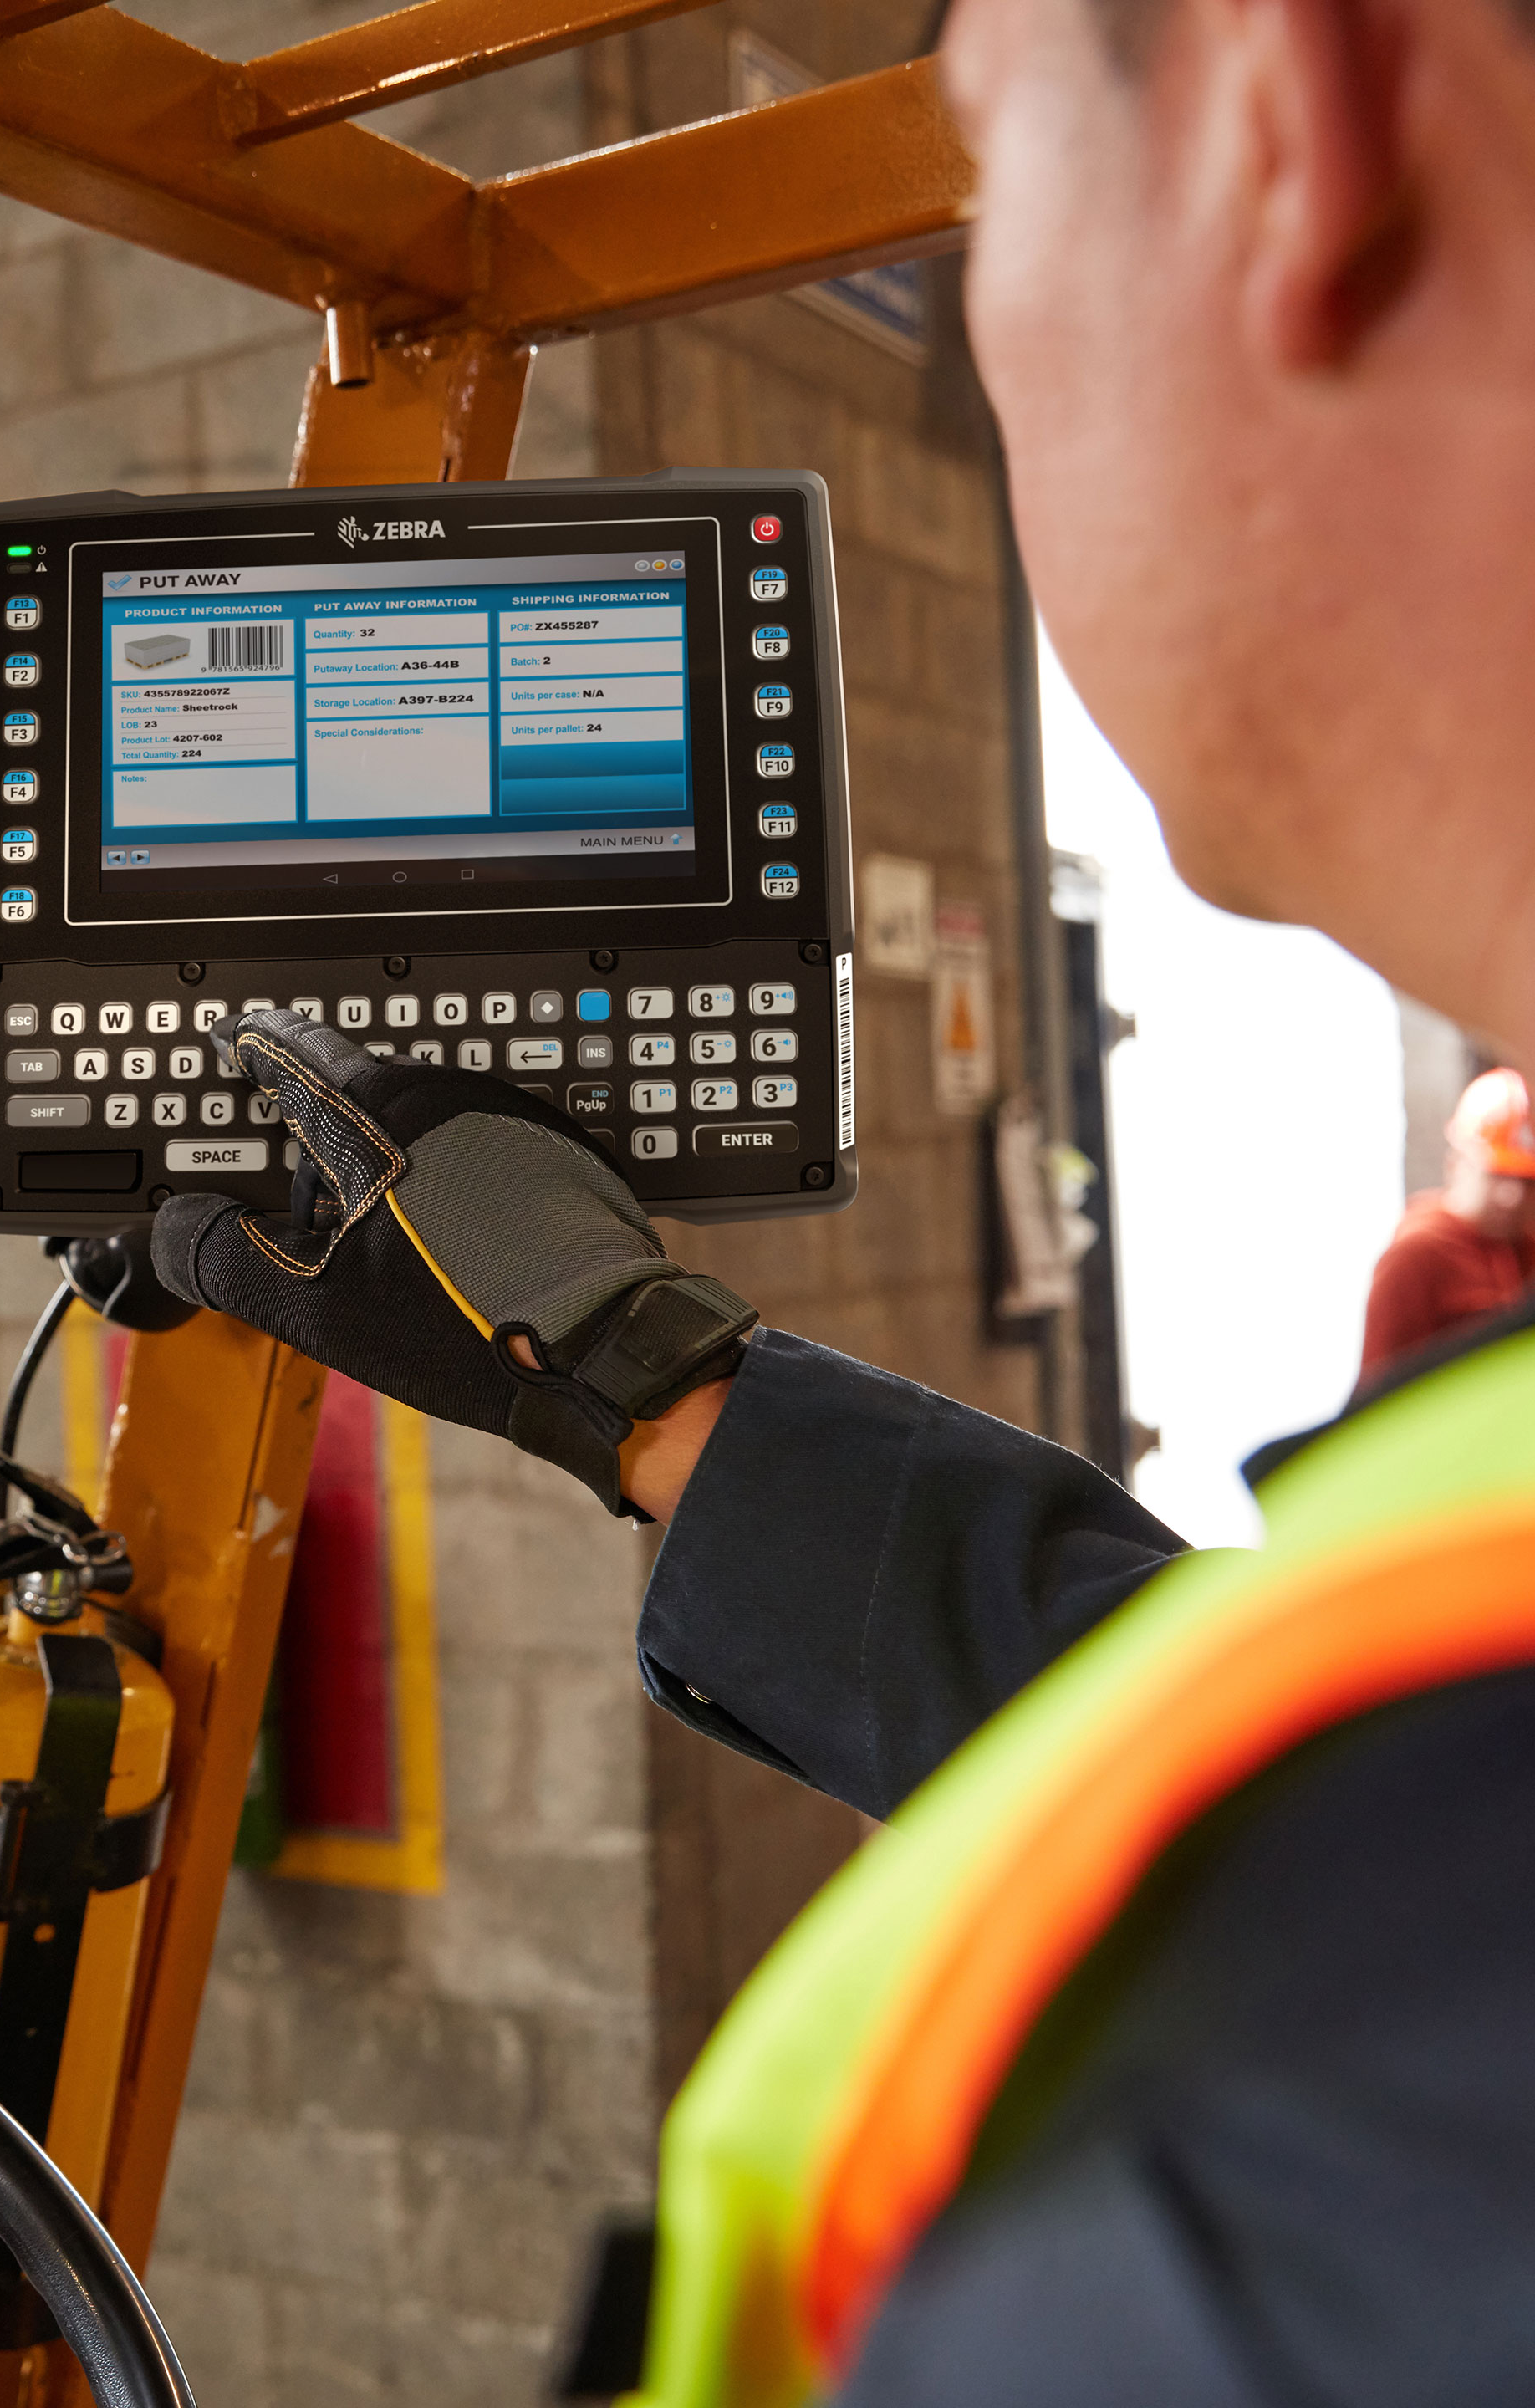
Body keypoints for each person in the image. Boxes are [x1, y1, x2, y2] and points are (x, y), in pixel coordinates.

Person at [154, 0, 1535, 2400]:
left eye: (991, 181)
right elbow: (1261, 1794)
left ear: (1278, 120)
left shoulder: (1297, 2126)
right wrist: (656, 1389)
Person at [1358, 1067, 1535, 1381]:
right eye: (1497, 1175)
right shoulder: (1416, 1258)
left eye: (1526, 1181)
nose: (1513, 1197)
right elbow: (1376, 1395)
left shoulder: (1525, 1247)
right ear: (1455, 1165)